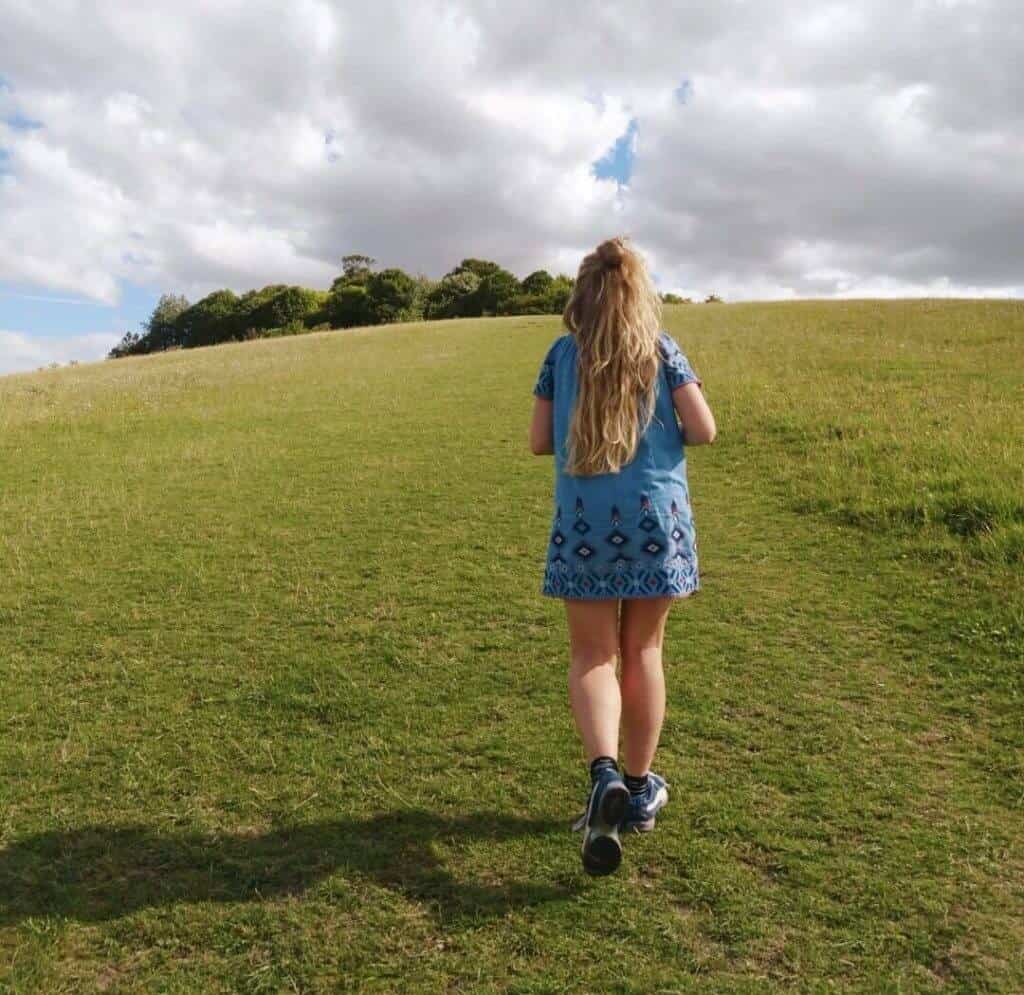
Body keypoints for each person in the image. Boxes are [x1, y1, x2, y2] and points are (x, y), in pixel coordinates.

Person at [528, 236, 717, 876]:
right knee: (642, 651)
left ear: (582, 298)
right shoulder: (662, 352)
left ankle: (602, 772)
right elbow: (705, 428)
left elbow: (535, 440)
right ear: (641, 298)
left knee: (592, 654)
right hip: (655, 523)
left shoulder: (561, 354)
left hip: (583, 522)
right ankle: (637, 791)